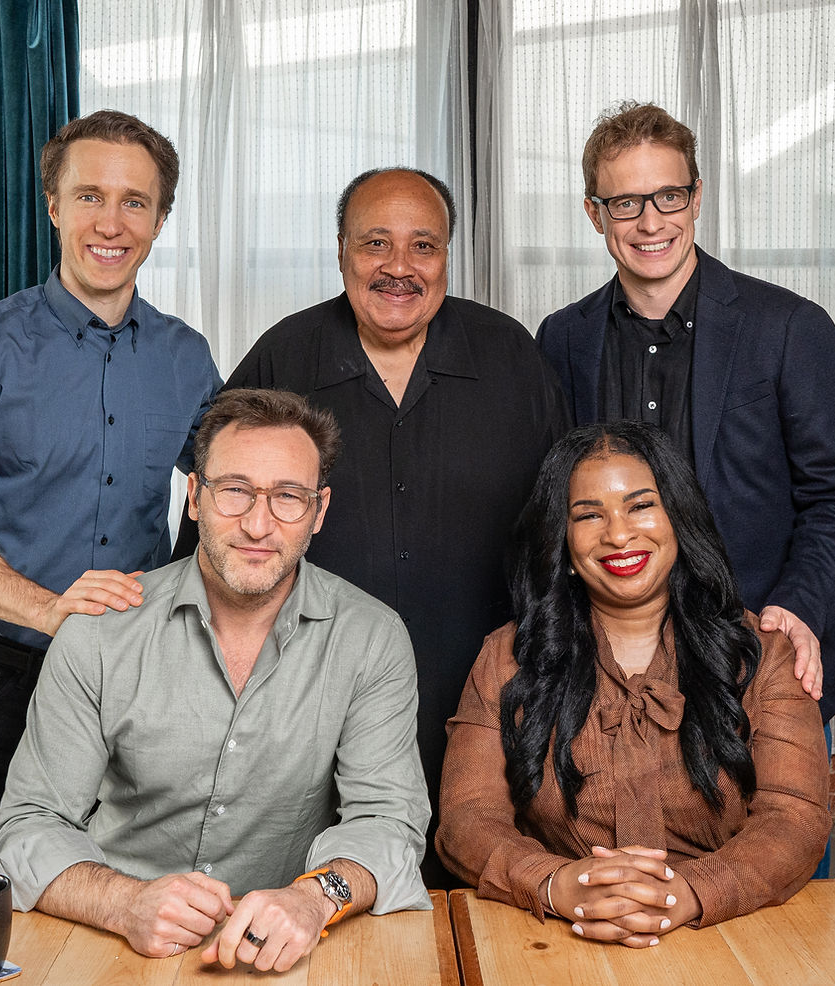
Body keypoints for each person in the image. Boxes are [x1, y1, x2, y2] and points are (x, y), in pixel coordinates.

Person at [181, 168, 571, 884]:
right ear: (340, 252)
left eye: (423, 245)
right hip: (305, 714)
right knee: (317, 904)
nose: (399, 267)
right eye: (375, 244)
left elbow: (565, 530)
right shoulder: (282, 358)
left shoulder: (513, 357)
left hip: (487, 706)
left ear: (449, 254)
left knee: (478, 909)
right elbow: (210, 532)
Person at [0, 389, 430, 973]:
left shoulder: (372, 639)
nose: (257, 523)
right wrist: (125, 904)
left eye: (287, 498)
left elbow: (389, 822)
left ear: (319, 512)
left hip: (287, 951)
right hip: (112, 942)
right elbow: (25, 824)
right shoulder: (99, 633)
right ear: (194, 496)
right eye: (235, 490)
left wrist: (315, 898)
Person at [0, 110, 221, 879]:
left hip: (134, 681)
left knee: (126, 893)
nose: (111, 223)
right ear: (53, 205)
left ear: (161, 219)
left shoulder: (186, 356)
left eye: (135, 202)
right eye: (90, 197)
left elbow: (222, 491)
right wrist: (48, 610)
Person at [536, 102, 835, 731]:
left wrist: (797, 607)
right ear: (594, 213)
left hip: (761, 654)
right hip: (611, 676)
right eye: (625, 203)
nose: (649, 222)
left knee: (782, 831)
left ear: (697, 198)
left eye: (668, 196)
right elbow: (559, 506)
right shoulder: (561, 339)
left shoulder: (790, 327)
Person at [436, 422, 830, 944]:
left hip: (727, 928)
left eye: (641, 506)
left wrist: (686, 893)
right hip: (554, 934)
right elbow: (466, 818)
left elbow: (795, 817)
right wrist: (555, 884)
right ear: (563, 538)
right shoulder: (507, 656)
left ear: (678, 519)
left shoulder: (765, 651)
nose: (618, 534)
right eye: (589, 515)